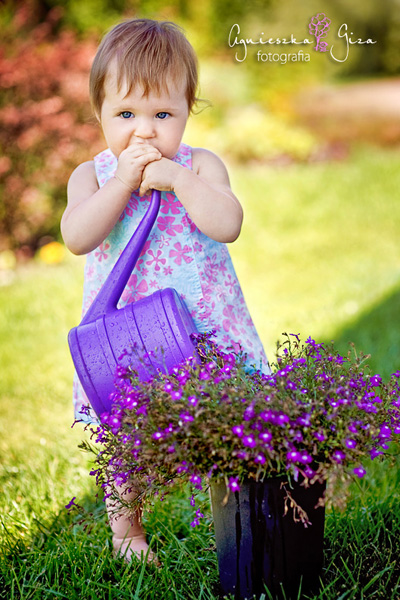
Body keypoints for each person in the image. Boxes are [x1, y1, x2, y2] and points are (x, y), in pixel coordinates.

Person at [61, 18, 268, 564]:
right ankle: (127, 533)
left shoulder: (200, 164)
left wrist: (181, 181)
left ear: (188, 110)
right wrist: (123, 183)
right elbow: (77, 237)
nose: (144, 132)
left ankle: (239, 522)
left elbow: (228, 224)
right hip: (129, 339)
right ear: (99, 113)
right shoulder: (91, 176)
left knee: (229, 427)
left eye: (162, 115)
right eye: (126, 115)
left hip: (202, 329)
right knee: (125, 444)